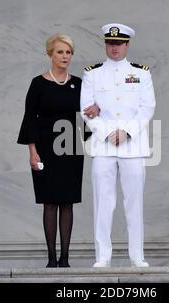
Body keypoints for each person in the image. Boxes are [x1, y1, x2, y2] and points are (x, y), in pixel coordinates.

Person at [17, 33, 99, 268]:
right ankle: (51, 259)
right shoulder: (38, 83)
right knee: (50, 202)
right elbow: (30, 118)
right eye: (60, 52)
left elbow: (86, 115)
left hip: (71, 147)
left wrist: (96, 109)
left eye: (68, 52)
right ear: (50, 54)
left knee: (67, 202)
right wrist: (32, 151)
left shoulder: (80, 84)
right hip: (45, 148)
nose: (65, 56)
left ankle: (65, 259)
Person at [80, 23, 156, 268]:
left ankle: (137, 255)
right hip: (104, 146)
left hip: (132, 146)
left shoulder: (141, 73)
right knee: (104, 202)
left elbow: (147, 107)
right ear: (106, 44)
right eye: (110, 43)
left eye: (119, 43)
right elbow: (86, 110)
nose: (114, 48)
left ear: (127, 45)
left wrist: (126, 131)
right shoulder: (92, 73)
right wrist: (107, 132)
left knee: (134, 203)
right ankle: (102, 256)